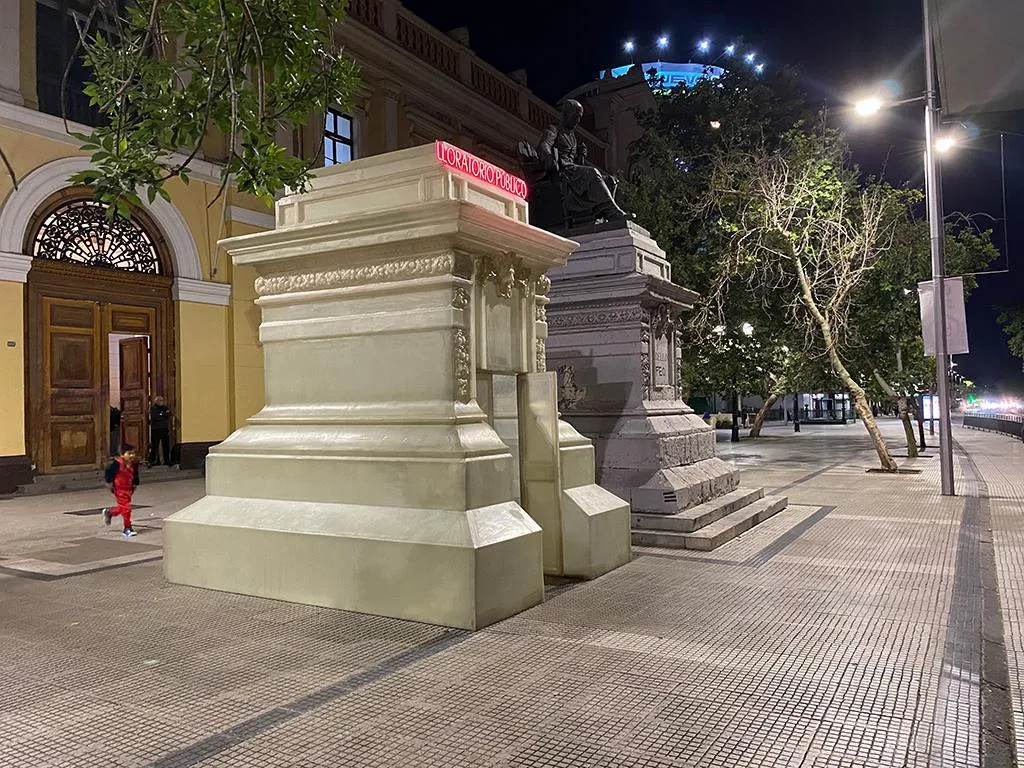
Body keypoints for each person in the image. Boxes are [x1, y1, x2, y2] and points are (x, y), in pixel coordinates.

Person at [103, 444, 140, 538]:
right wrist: (109, 483)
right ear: (122, 454)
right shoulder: (116, 464)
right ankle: (127, 528)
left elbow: (135, 475)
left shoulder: (134, 464)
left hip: (128, 488)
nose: (132, 456)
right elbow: (109, 474)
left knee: (123, 507)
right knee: (127, 508)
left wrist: (135, 484)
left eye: (133, 453)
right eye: (129, 453)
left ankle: (110, 512)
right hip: (119, 488)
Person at [148, 396, 172, 466]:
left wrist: (162, 414)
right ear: (156, 401)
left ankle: (167, 461)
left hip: (164, 429)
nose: (162, 401)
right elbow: (155, 417)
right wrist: (162, 414)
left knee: (166, 446)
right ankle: (152, 460)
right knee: (154, 446)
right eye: (160, 400)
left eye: (162, 400)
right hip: (156, 429)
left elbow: (169, 414)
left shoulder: (165, 408)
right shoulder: (153, 409)